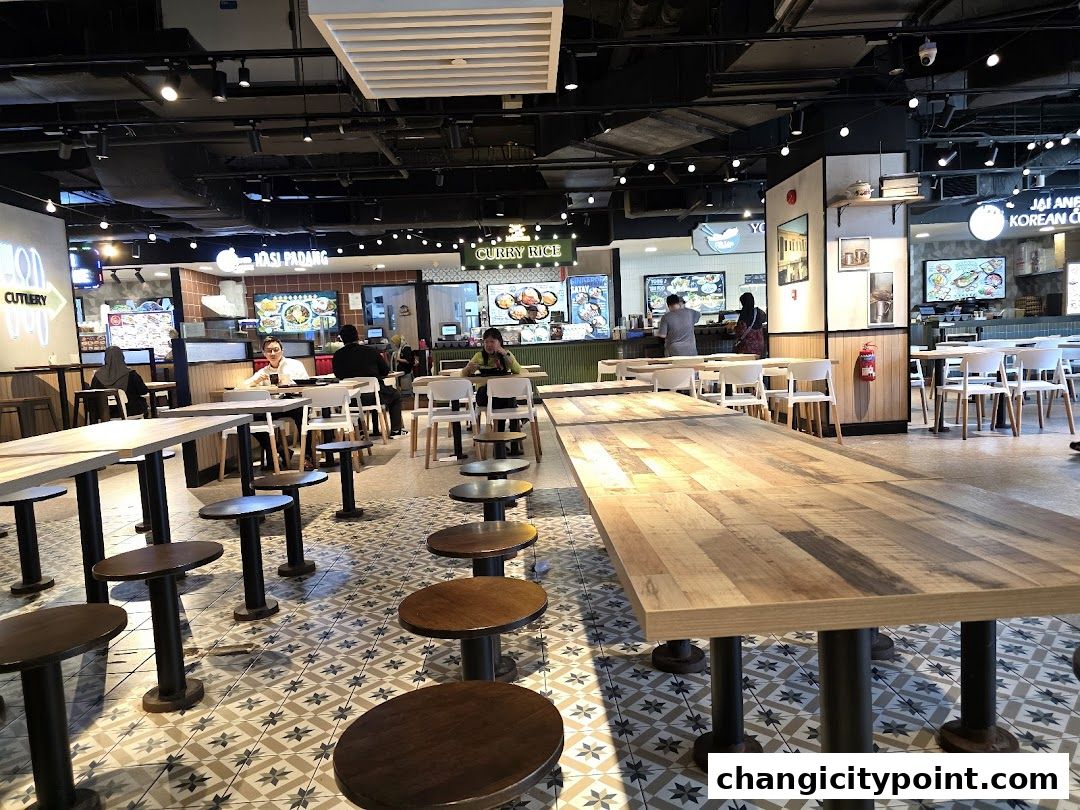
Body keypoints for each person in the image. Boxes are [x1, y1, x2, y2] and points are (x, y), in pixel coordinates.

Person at [462, 327, 525, 456]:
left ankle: (507, 445)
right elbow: (463, 374)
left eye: (492, 341)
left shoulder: (506, 354)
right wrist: (469, 368)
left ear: (499, 342)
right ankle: (502, 444)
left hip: (501, 395)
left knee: (508, 399)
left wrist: (503, 353)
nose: (489, 345)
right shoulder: (479, 356)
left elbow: (517, 370)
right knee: (507, 400)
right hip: (484, 395)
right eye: (486, 342)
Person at [333, 324, 405, 437]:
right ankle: (396, 431)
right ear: (357, 336)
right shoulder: (371, 351)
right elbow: (385, 371)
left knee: (356, 401)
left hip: (350, 399)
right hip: (374, 396)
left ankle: (360, 431)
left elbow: (338, 375)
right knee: (395, 395)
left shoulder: (337, 355)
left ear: (341, 338)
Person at [90, 345, 149, 418]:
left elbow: (92, 394)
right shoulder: (131, 374)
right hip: (131, 412)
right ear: (122, 357)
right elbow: (143, 391)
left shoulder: (97, 376)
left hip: (105, 414)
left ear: (106, 358)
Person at [242, 336, 307, 387]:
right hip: (272, 402)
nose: (273, 353)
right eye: (269, 351)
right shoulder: (264, 372)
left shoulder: (296, 365)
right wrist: (256, 381)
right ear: (264, 353)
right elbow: (243, 386)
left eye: (276, 350)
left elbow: (307, 384)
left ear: (282, 351)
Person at [732, 292, 767, 357]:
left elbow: (741, 331)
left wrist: (733, 328)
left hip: (748, 345)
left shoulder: (744, 314)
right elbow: (764, 319)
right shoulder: (759, 311)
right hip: (759, 344)